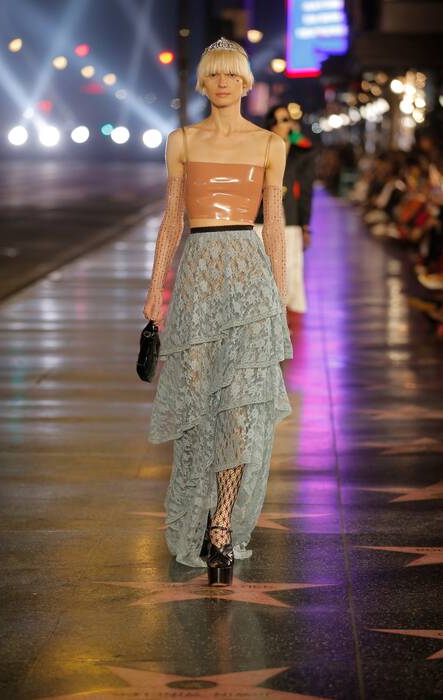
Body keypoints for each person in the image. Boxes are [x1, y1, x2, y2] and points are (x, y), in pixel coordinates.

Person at [143, 37, 293, 586]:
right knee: (199, 405)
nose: (224, 82)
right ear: (203, 82)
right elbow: (171, 220)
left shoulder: (270, 144)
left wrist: (278, 294)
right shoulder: (181, 140)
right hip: (199, 281)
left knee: (239, 409)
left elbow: (274, 224)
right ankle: (199, 513)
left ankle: (222, 525)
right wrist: (155, 289)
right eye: (215, 74)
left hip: (250, 280)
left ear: (246, 82)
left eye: (233, 73)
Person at [255, 104, 315, 315]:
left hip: (289, 217)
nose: (281, 124)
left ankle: (282, 315)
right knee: (263, 268)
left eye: (285, 120)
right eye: (277, 120)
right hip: (261, 217)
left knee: (288, 268)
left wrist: (305, 225)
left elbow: (306, 190)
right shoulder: (259, 149)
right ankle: (265, 315)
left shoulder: (301, 152)